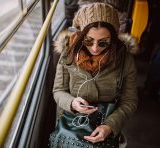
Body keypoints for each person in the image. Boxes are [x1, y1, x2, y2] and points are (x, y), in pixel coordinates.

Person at [53, 2, 138, 146]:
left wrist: (110, 126)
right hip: (70, 127)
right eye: (88, 40)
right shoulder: (68, 54)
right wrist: (72, 103)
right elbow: (58, 90)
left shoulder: (125, 60)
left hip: (105, 127)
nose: (95, 48)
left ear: (113, 37)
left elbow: (129, 101)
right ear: (79, 34)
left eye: (103, 43)